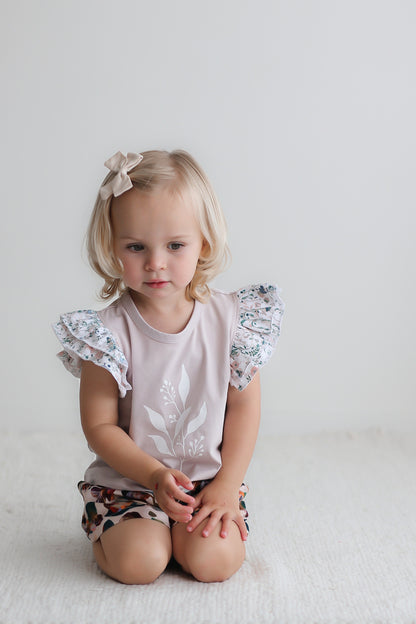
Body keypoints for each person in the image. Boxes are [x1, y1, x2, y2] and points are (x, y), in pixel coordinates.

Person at [54, 149, 284, 585]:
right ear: (111, 246)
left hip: (206, 486)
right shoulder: (107, 334)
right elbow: (99, 428)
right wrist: (155, 476)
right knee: (139, 565)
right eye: (136, 247)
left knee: (214, 563)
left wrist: (225, 485)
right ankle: (116, 531)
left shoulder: (232, 323)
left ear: (204, 244)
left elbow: (244, 409)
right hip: (131, 483)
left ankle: (181, 532)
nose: (156, 262)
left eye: (175, 245)